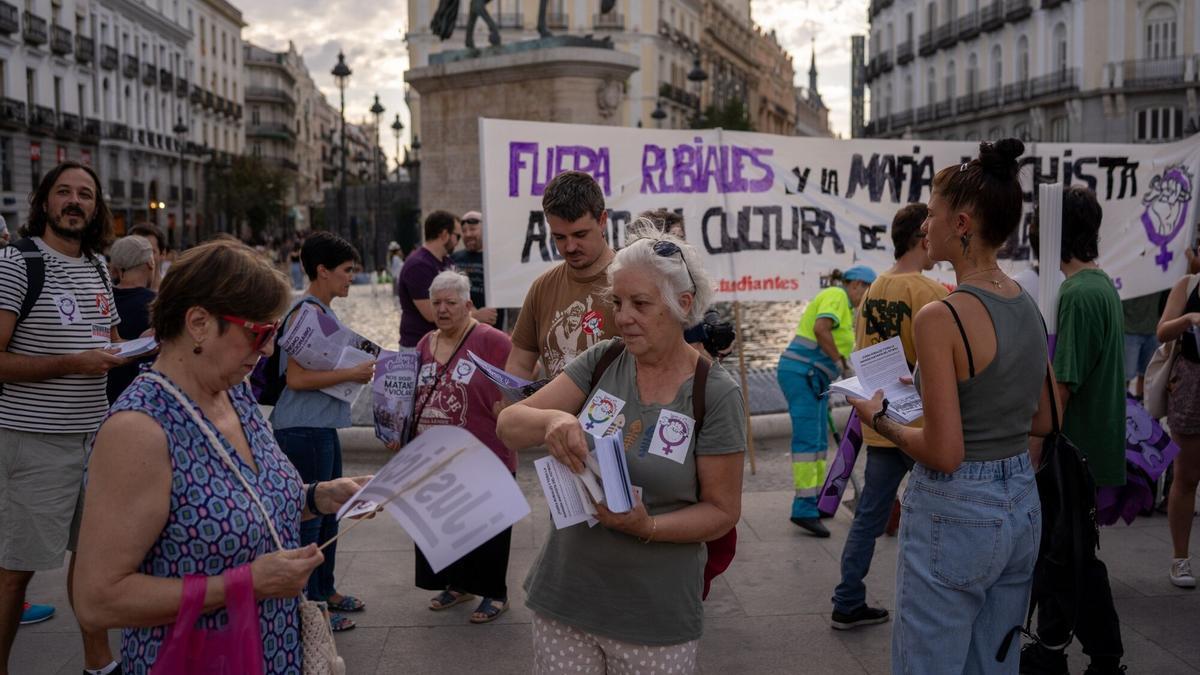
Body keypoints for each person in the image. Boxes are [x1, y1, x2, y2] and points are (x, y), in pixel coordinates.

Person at [72, 239, 370, 674]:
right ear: (198, 323)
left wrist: (319, 497)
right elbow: (97, 599)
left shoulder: (235, 392)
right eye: (259, 333)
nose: (268, 350)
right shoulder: (138, 431)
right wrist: (245, 584)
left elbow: (240, 498)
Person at [845, 139, 1054, 674]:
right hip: (1021, 504)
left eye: (932, 214)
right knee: (994, 663)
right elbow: (1047, 418)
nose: (926, 227)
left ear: (961, 224)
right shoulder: (1027, 304)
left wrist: (880, 418)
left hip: (956, 509)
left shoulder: (942, 316)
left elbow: (944, 451)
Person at [496, 230, 745, 674]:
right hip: (565, 603)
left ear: (682, 305)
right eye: (618, 302)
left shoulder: (716, 393)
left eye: (641, 304)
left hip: (653, 617)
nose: (624, 317)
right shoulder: (603, 360)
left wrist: (645, 524)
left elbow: (722, 512)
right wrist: (553, 420)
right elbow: (509, 424)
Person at [0, 162, 126, 675]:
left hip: (94, 440)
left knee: (93, 560)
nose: (75, 202)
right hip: (33, 441)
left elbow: (113, 343)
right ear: (46, 201)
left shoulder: (98, 266)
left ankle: (98, 663)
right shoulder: (16, 263)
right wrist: (71, 365)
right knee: (15, 570)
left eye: (86, 195)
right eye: (65, 192)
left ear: (96, 207)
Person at [1021, 186, 1127, 675]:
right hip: (1089, 445)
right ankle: (1054, 643)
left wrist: (1032, 448)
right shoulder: (1099, 285)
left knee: (1074, 557)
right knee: (1066, 552)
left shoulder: (1078, 294)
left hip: (1073, 451)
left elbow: (1062, 387)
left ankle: (1099, 655)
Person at [830, 203, 947, 630]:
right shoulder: (930, 291)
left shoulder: (875, 286)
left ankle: (847, 599)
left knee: (868, 519)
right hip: (919, 428)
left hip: (879, 423)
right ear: (922, 235)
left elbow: (862, 353)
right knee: (935, 517)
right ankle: (931, 603)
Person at [270, 231, 373, 632]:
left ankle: (325, 592)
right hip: (302, 427)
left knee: (330, 513)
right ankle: (311, 607)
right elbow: (296, 378)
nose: (352, 278)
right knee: (310, 519)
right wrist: (354, 371)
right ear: (322, 271)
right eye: (347, 271)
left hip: (320, 425)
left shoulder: (321, 312)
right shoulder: (305, 314)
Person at [404, 270, 515, 623]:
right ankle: (458, 584)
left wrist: (509, 407)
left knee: (488, 526)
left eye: (450, 303)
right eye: (436, 303)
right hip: (434, 454)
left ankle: (495, 593)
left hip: (484, 450)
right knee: (446, 524)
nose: (442, 309)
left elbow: (523, 379)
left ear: (468, 305)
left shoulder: (492, 340)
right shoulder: (425, 343)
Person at [778, 265, 876, 537]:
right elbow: (822, 330)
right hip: (801, 374)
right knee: (808, 441)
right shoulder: (836, 294)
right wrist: (839, 364)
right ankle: (803, 508)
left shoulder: (848, 308)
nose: (866, 297)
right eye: (868, 290)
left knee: (819, 441)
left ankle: (818, 500)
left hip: (812, 377)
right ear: (855, 284)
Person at [507, 171, 618, 380]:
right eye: (559, 237)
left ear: (602, 220)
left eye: (580, 235)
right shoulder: (542, 287)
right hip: (554, 412)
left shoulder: (631, 281)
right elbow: (519, 363)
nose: (570, 247)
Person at [1158, 264, 1200, 590]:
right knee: (1186, 475)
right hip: (1191, 384)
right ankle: (1180, 557)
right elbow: (1162, 331)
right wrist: (1188, 319)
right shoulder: (1188, 285)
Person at [106, 235, 158, 403]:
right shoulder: (158, 305)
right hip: (142, 399)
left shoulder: (103, 300)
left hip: (104, 398)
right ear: (150, 263)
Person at [398, 210, 459, 350]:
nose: (457, 242)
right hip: (417, 347)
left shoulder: (447, 262)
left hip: (441, 344)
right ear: (444, 235)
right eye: (457, 236)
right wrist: (476, 315)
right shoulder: (418, 265)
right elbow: (432, 314)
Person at [450, 210, 502, 328]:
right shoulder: (454, 259)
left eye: (473, 229)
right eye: (464, 231)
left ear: (485, 229)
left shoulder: (497, 259)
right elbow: (451, 295)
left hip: (494, 329)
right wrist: (475, 314)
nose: (468, 234)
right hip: (462, 330)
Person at [1122, 291, 1167, 400]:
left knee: (1147, 374)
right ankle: (1122, 405)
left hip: (1153, 328)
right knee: (1125, 376)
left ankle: (1141, 404)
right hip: (1129, 330)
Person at [128, 223, 166, 291]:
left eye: (149, 251)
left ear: (162, 254)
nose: (142, 257)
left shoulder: (172, 294)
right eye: (135, 250)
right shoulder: (113, 294)